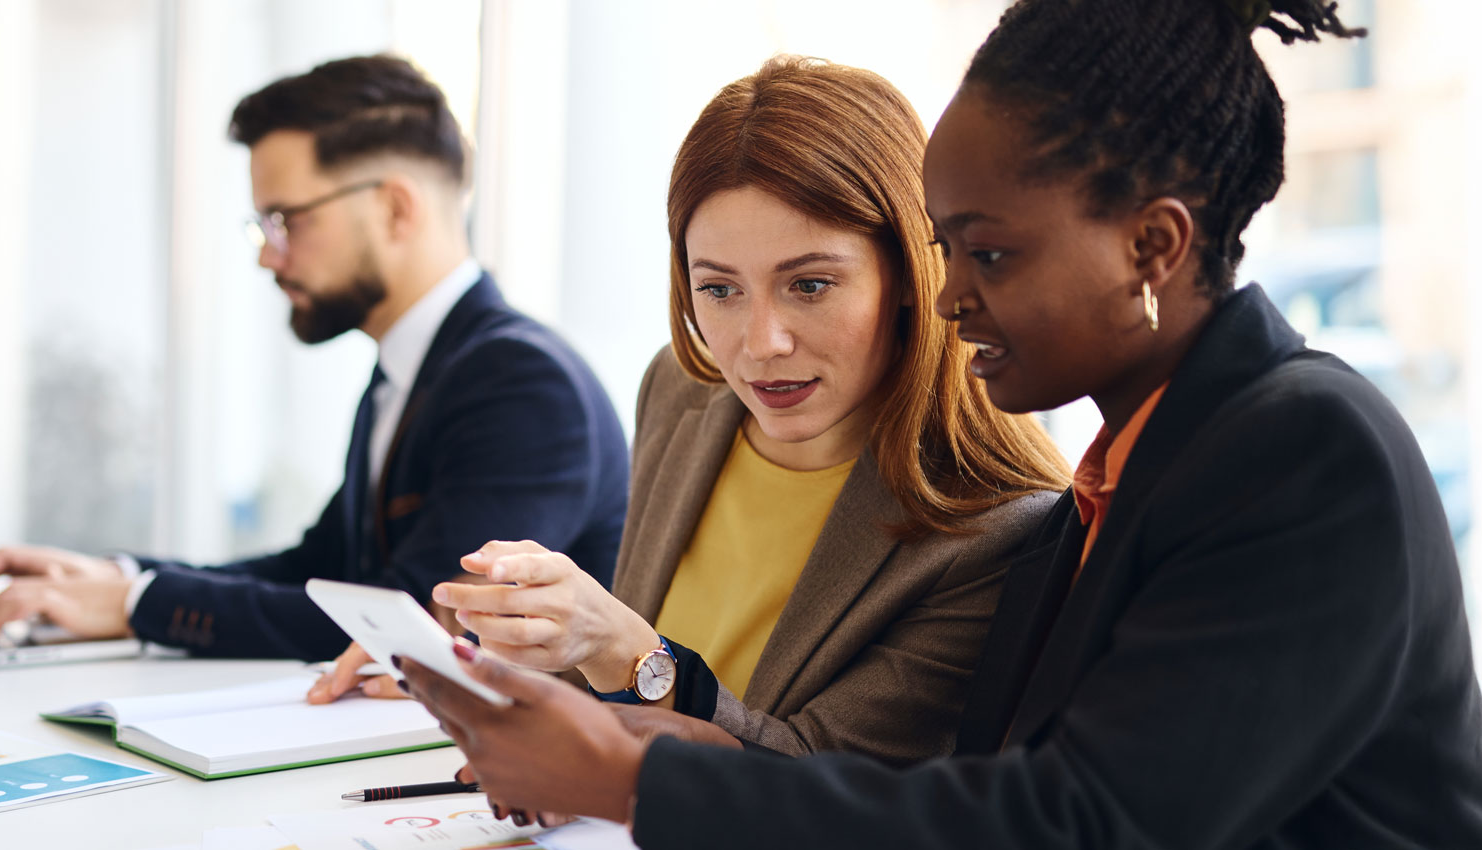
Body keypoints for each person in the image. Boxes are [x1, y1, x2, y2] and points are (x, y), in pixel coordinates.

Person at [397, 1, 1482, 846]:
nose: (948, 296)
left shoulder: (1303, 448)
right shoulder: (1133, 466)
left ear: (1152, 250)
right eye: (945, 250)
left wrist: (629, 776)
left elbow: (1078, 822)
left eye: (987, 252)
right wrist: (630, 726)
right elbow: (956, 789)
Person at [325, 57, 1070, 766]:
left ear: (910, 272)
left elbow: (822, 786)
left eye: (809, 285)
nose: (758, 345)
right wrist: (481, 668)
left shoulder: (994, 528)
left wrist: (627, 650)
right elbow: (616, 704)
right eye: (719, 289)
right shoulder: (685, 393)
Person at [0, 55, 629, 660]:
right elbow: (322, 567)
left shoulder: (520, 383)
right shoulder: (418, 368)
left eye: (287, 220)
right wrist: (121, 580)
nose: (265, 254)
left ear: (396, 207)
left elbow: (413, 622)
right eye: (263, 226)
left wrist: (138, 606)